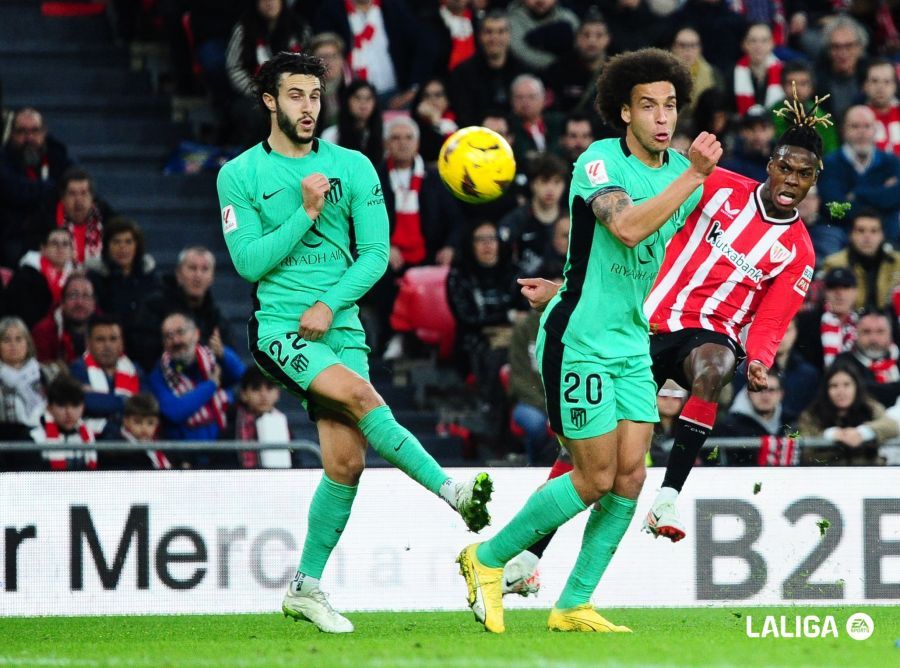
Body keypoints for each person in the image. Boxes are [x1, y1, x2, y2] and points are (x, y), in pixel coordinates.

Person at [506, 87, 822, 599]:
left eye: (803, 174)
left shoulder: (799, 252)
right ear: (770, 165)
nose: (791, 181)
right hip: (642, 324)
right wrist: (567, 289)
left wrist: (760, 359)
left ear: (814, 181)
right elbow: (639, 228)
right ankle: (526, 556)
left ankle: (670, 495)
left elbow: (768, 323)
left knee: (718, 364)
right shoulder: (715, 184)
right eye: (785, 167)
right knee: (594, 463)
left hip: (707, 333)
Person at [216, 52, 492, 634]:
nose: (308, 106)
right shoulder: (239, 175)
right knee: (365, 400)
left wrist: (331, 304)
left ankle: (304, 587)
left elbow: (373, 257)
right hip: (282, 329)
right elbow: (247, 263)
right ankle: (454, 491)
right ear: (270, 100)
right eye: (295, 95)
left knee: (346, 464)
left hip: (340, 325)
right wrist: (305, 212)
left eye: (315, 95)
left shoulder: (356, 167)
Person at [456, 48, 721, 635]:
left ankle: (573, 603)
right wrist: (693, 175)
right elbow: (625, 229)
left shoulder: (679, 176)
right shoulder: (598, 162)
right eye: (648, 105)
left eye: (671, 105)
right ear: (623, 112)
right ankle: (488, 559)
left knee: (630, 477)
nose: (662, 117)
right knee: (594, 476)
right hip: (578, 339)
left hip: (630, 343)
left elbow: (650, 258)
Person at [147, 312, 244, 447]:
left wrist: (224, 354)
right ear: (164, 344)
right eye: (169, 336)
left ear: (196, 334)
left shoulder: (213, 358)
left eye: (180, 332)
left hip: (225, 446)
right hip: (187, 454)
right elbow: (174, 412)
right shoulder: (159, 374)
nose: (176, 341)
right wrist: (211, 385)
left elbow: (242, 376)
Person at [131, 245, 230, 372]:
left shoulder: (217, 317)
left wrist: (221, 353)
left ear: (212, 278)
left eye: (205, 269)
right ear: (178, 274)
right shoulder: (154, 306)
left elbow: (230, 365)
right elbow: (144, 351)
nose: (198, 276)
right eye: (192, 268)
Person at [818, 105, 900, 241]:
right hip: (843, 237)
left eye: (867, 126)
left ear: (875, 130)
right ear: (843, 130)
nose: (862, 132)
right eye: (855, 126)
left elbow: (896, 197)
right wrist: (881, 194)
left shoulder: (892, 162)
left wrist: (857, 194)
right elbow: (834, 209)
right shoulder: (829, 164)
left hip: (888, 236)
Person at [85, 217, 160, 345]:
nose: (122, 248)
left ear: (137, 245)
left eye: (128, 242)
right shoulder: (95, 279)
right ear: (107, 246)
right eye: (116, 242)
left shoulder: (150, 277)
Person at [448, 10, 529, 127]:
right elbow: (462, 113)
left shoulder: (523, 71)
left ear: (509, 35)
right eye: (489, 32)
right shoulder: (462, 73)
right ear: (480, 36)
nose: (494, 38)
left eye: (501, 32)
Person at [798, 362, 888, 466]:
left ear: (856, 386)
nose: (841, 391)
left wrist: (862, 432)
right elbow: (804, 451)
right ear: (826, 390)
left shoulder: (869, 407)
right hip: (826, 475)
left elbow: (891, 425)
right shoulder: (811, 414)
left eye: (847, 385)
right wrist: (829, 436)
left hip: (866, 474)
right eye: (834, 386)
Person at [69, 313, 141, 439]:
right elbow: (85, 402)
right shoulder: (78, 368)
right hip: (92, 440)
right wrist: (127, 400)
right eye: (100, 339)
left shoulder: (135, 370)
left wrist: (102, 399)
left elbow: (146, 405)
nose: (107, 345)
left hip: (132, 441)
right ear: (88, 343)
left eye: (113, 339)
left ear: (121, 343)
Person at [821, 210, 900, 310]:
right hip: (848, 321)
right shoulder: (834, 264)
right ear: (851, 235)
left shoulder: (898, 263)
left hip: (890, 322)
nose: (867, 236)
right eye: (861, 230)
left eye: (874, 231)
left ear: (882, 236)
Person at [221, 366, 292, 468]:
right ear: (243, 394)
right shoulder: (231, 427)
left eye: (269, 388)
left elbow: (293, 457)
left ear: (278, 393)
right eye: (256, 389)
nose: (263, 395)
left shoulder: (284, 425)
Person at [6, 228, 75, 329]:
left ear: (71, 251)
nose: (60, 248)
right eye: (54, 243)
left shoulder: (77, 278)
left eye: (65, 244)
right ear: (43, 248)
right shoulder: (25, 276)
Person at [794, 267, 860, 370]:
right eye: (833, 288)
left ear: (856, 292)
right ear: (825, 292)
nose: (839, 294)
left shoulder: (863, 323)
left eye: (846, 287)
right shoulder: (806, 322)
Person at [29, 375, 97, 471]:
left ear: (83, 406)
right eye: (62, 405)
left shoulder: (88, 435)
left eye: (75, 405)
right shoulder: (35, 437)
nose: (69, 412)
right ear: (49, 407)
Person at [31, 273, 98, 365]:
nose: (80, 303)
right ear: (62, 302)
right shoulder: (44, 331)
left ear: (94, 303)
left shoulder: (106, 330)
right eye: (73, 296)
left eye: (86, 296)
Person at [0, 317, 47, 442]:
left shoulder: (45, 373)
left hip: (42, 435)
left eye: (19, 339)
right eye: (6, 340)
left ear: (28, 343)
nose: (13, 345)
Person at [319, 80, 384, 167]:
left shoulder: (385, 134)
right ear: (347, 101)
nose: (363, 103)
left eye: (368, 98)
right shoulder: (330, 135)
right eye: (357, 98)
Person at [102, 392, 172, 470]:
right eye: (138, 422)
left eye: (150, 423)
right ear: (126, 421)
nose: (144, 428)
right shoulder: (117, 450)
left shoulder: (161, 446)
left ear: (157, 423)